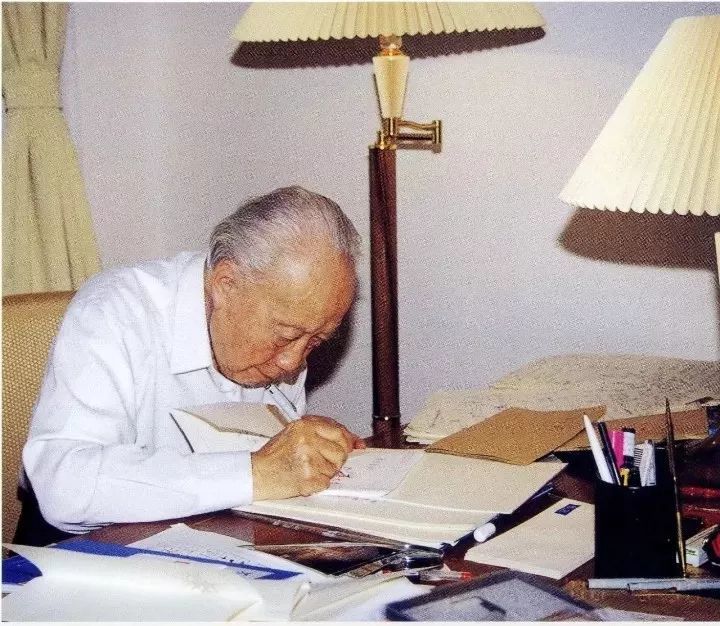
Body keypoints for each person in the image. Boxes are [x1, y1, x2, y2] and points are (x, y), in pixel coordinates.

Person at [18, 186, 365, 545]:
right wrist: (256, 472)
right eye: (285, 335)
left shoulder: (286, 327)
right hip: (80, 556)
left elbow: (268, 470)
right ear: (226, 284)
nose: (293, 361)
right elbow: (64, 484)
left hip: (213, 544)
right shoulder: (115, 311)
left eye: (316, 340)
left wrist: (308, 454)